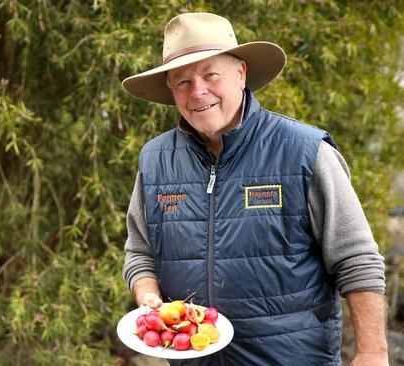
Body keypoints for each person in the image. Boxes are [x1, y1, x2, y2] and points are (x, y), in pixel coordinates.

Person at [121, 12, 388, 366]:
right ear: (170, 91)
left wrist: (372, 353)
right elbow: (139, 251)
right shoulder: (155, 159)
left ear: (241, 73)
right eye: (182, 81)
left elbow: (357, 258)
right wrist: (148, 293)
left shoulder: (304, 151)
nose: (198, 91)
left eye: (210, 74)